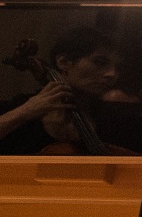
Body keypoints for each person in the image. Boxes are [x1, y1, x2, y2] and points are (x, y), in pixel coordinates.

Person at [0, 27, 131, 155]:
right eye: (100, 62)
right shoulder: (20, 106)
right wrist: (25, 111)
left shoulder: (115, 120)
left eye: (118, 68)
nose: (112, 74)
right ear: (63, 62)